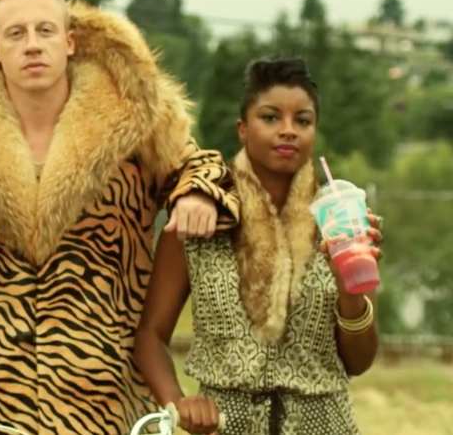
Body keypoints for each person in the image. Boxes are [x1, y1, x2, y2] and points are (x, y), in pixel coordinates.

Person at [0, 0, 242, 433]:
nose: (32, 44)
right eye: (16, 33)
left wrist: (196, 193)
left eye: (45, 31)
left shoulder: (132, 116)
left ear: (69, 42)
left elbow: (201, 166)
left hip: (102, 395)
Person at [134, 56, 385, 435]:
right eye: (270, 117)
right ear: (243, 129)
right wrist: (179, 401)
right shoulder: (199, 219)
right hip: (226, 426)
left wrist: (350, 288)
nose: (288, 131)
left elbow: (358, 362)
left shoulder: (341, 221)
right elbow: (150, 335)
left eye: (303, 121)